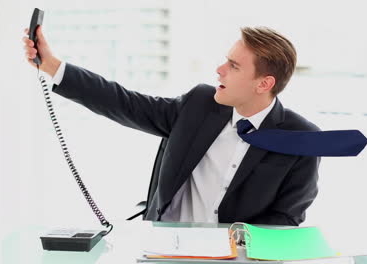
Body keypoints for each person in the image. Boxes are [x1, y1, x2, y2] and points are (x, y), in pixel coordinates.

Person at [22, 26, 320, 225]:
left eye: (234, 66)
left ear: (264, 83)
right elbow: (125, 103)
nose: (220, 70)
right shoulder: (199, 104)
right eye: (225, 60)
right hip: (163, 248)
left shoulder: (303, 139)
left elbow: (286, 221)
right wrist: (51, 66)